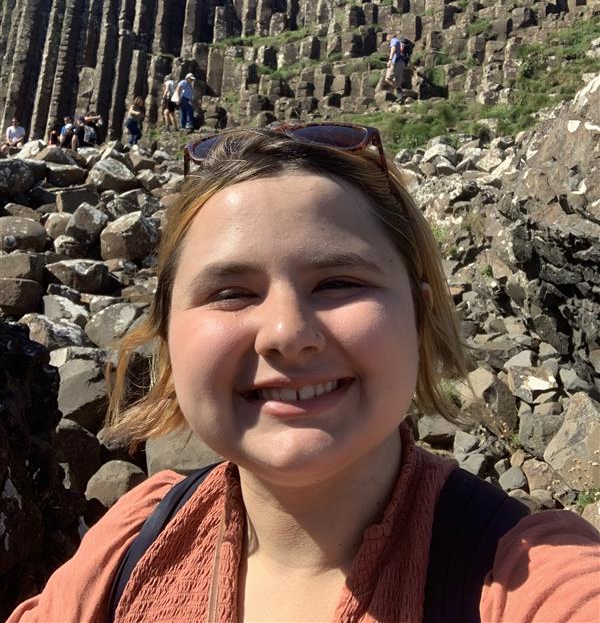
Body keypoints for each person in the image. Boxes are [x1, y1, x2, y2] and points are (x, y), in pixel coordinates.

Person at [9, 125, 600, 623]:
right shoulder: (128, 547)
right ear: (167, 334)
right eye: (232, 292)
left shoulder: (524, 572)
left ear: (419, 315)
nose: (288, 334)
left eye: (339, 282)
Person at [381, 33, 410, 97]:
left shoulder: (394, 40)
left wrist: (390, 60)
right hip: (402, 63)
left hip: (395, 63)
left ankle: (399, 91)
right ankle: (400, 99)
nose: (388, 43)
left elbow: (393, 49)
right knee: (397, 83)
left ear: (389, 38)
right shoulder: (399, 43)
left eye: (388, 41)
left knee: (388, 79)